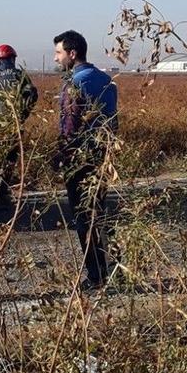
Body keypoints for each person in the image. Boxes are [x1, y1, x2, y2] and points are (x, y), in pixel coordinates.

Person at [53, 30, 118, 290]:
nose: (56, 59)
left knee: (83, 217)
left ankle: (96, 275)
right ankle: (112, 266)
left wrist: (60, 155)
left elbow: (70, 126)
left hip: (80, 160)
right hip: (103, 156)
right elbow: (114, 121)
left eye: (58, 53)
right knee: (99, 211)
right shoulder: (107, 80)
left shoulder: (74, 84)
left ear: (72, 53)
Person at [0, 44, 38, 205]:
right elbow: (32, 96)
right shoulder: (20, 76)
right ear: (12, 59)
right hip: (12, 127)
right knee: (9, 160)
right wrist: (22, 116)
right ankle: (1, 193)